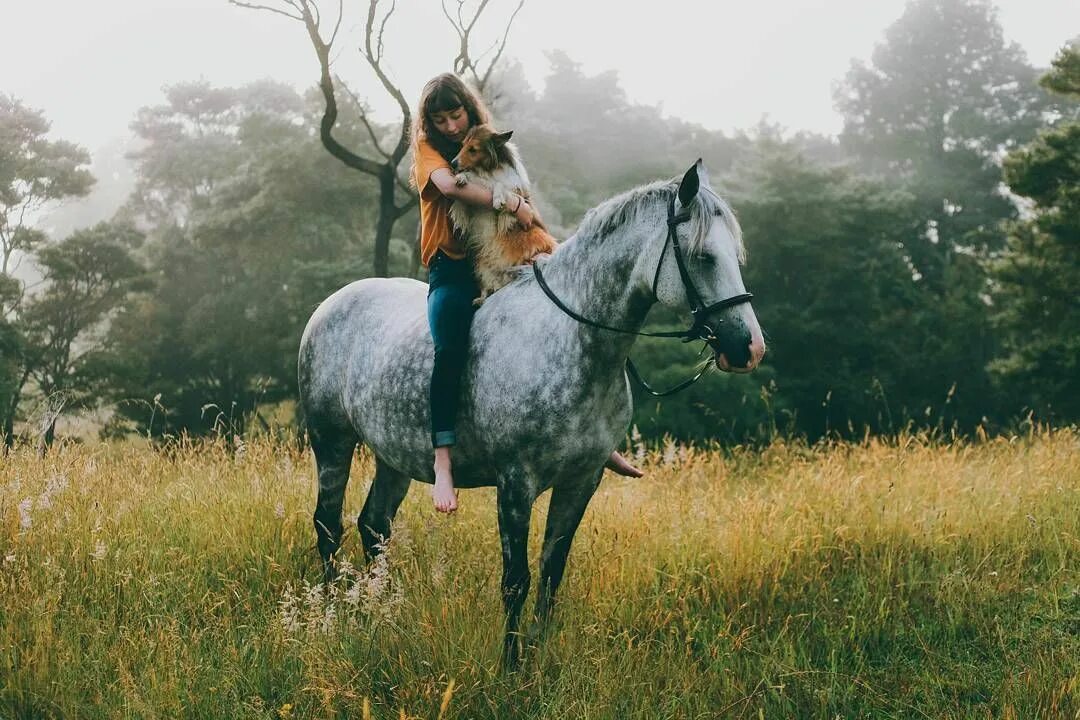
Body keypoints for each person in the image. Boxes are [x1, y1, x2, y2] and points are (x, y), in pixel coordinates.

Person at [410, 73, 643, 514]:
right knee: (449, 346)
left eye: (456, 115)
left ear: (468, 111)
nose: (451, 128)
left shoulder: (492, 144)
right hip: (455, 269)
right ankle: (443, 460)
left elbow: (526, 211)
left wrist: (525, 215)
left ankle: (598, 435)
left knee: (576, 319)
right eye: (440, 120)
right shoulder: (429, 151)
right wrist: (510, 203)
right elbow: (448, 186)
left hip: (509, 257)